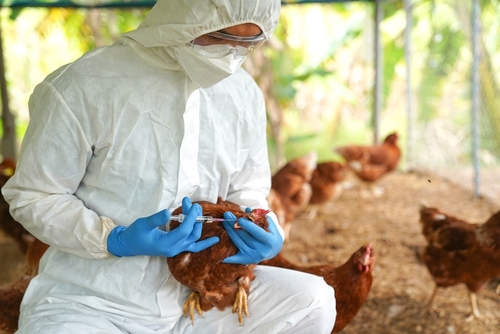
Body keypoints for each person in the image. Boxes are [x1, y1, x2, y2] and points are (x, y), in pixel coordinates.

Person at [2, 0, 336, 333]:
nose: (232, 53)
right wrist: (113, 239)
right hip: (91, 302)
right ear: (185, 17)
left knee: (313, 300)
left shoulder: (242, 92)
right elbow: (34, 195)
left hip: (202, 296)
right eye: (220, 37)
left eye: (247, 42)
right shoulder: (85, 85)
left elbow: (247, 186)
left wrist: (258, 223)